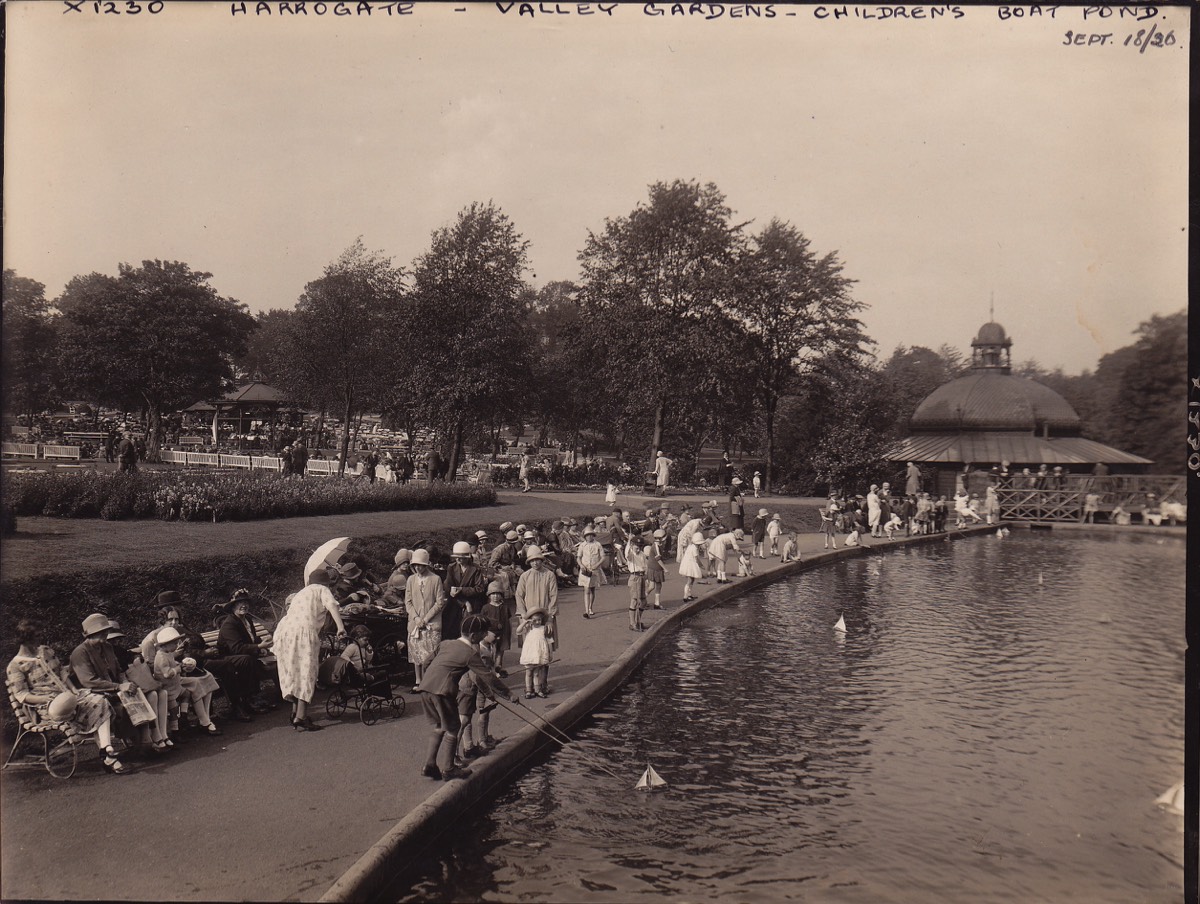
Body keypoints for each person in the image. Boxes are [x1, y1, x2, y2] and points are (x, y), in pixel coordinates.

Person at [8, 619, 126, 774]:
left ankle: (106, 751)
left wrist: (73, 689)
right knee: (73, 702)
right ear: (24, 639)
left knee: (99, 701)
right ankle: (107, 753)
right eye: (35, 637)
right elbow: (22, 695)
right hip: (47, 706)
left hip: (68, 696)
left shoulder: (46, 650)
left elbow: (62, 673)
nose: (39, 640)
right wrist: (46, 699)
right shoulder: (15, 666)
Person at [420, 614, 520, 782]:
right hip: (442, 693)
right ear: (474, 636)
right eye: (483, 633)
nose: (484, 635)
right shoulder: (470, 653)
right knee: (453, 728)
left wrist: (430, 680)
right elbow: (488, 677)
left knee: (439, 727)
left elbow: (425, 663)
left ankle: (429, 765)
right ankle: (449, 769)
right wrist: (508, 694)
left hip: (425, 689)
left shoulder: (446, 643)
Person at [71, 613, 169, 754]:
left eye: (105, 632)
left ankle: (151, 738)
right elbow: (88, 682)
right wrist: (118, 686)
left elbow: (118, 669)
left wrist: (124, 681)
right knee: (130, 701)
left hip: (114, 688)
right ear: (88, 635)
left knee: (152, 693)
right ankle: (144, 741)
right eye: (98, 633)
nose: (104, 636)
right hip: (93, 693)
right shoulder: (80, 653)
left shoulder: (107, 647)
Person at [274, 568, 347, 731]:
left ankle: (295, 712)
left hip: (284, 633)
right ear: (325, 582)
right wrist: (340, 627)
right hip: (303, 634)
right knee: (307, 672)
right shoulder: (323, 590)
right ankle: (301, 717)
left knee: (292, 672)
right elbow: (332, 606)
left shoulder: (301, 593)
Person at [215, 589, 275, 720]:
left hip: (244, 655)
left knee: (273, 656)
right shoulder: (229, 624)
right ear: (233, 607)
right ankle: (250, 699)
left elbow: (251, 639)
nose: (244, 605)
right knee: (248, 660)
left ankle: (278, 694)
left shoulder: (247, 619)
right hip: (228, 658)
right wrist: (259, 647)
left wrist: (262, 644)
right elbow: (236, 648)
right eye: (239, 603)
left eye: (246, 602)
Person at [406, 548, 447, 693]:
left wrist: (426, 618)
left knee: (430, 653)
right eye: (415, 565)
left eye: (421, 565)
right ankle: (418, 680)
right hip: (415, 622)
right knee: (416, 652)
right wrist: (416, 618)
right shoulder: (411, 580)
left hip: (431, 623)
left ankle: (431, 681)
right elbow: (408, 601)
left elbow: (439, 602)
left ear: (427, 565)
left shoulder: (435, 579)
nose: (418, 568)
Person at [515, 546, 558, 652]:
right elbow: (519, 595)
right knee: (530, 646)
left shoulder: (549, 575)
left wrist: (550, 618)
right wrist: (524, 615)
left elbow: (553, 596)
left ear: (542, 560)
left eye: (537, 560)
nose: (535, 563)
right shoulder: (525, 576)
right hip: (528, 616)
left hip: (544, 615)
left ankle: (544, 667)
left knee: (545, 645)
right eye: (532, 561)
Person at [443, 541, 488, 638]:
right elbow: (448, 586)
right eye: (456, 557)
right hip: (455, 602)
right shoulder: (451, 567)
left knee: (470, 630)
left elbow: (479, 589)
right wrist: (463, 602)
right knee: (451, 630)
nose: (458, 559)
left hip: (472, 604)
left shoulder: (476, 569)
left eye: (461, 557)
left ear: (467, 557)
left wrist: (461, 590)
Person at [519, 608, 553, 697]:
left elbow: (549, 641)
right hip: (530, 653)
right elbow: (518, 631)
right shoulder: (528, 628)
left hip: (539, 653)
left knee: (537, 673)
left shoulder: (544, 628)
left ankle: (538, 690)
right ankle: (529, 690)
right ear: (530, 620)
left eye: (539, 620)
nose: (537, 622)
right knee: (529, 672)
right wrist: (525, 622)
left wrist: (550, 653)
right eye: (535, 620)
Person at [576, 525, 605, 618]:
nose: (589, 537)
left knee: (592, 589)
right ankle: (586, 610)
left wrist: (598, 564)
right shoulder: (582, 545)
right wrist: (581, 565)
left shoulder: (598, 545)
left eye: (591, 535)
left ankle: (590, 608)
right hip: (585, 570)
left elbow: (603, 557)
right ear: (585, 537)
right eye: (587, 535)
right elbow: (578, 558)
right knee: (586, 589)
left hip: (594, 570)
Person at [624, 537, 647, 632]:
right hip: (634, 577)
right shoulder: (631, 554)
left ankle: (638, 620)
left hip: (642, 577)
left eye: (640, 547)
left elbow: (645, 566)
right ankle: (632, 623)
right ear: (633, 546)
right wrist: (629, 542)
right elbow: (627, 554)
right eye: (636, 547)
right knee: (634, 600)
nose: (638, 549)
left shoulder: (642, 554)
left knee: (643, 601)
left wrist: (646, 578)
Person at [679, 534, 706, 601]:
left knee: (692, 580)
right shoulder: (694, 548)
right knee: (689, 580)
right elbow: (696, 559)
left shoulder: (691, 546)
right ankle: (685, 596)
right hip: (689, 565)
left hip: (689, 563)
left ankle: (689, 595)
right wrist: (701, 565)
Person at [646, 529, 667, 610]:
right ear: (661, 538)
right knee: (654, 586)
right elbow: (658, 559)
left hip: (654, 568)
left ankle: (656, 603)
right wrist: (665, 569)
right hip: (655, 568)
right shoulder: (656, 546)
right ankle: (645, 600)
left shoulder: (657, 545)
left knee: (654, 586)